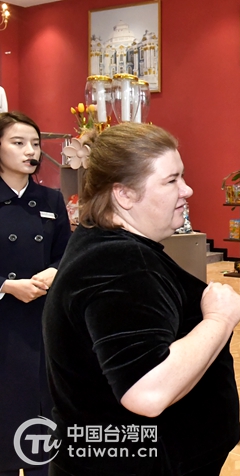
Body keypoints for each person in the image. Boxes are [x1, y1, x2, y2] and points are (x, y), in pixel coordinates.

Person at [43, 123, 240, 475]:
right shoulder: (120, 261)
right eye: (171, 180)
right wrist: (220, 319)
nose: (187, 189)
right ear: (124, 195)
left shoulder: (102, 242)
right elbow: (147, 392)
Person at [0, 112, 71, 476]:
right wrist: (5, 284)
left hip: (41, 320)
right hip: (3, 321)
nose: (31, 151)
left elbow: (66, 251)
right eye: (18, 143)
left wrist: (55, 271)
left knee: (41, 413)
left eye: (35, 144)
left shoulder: (51, 198)